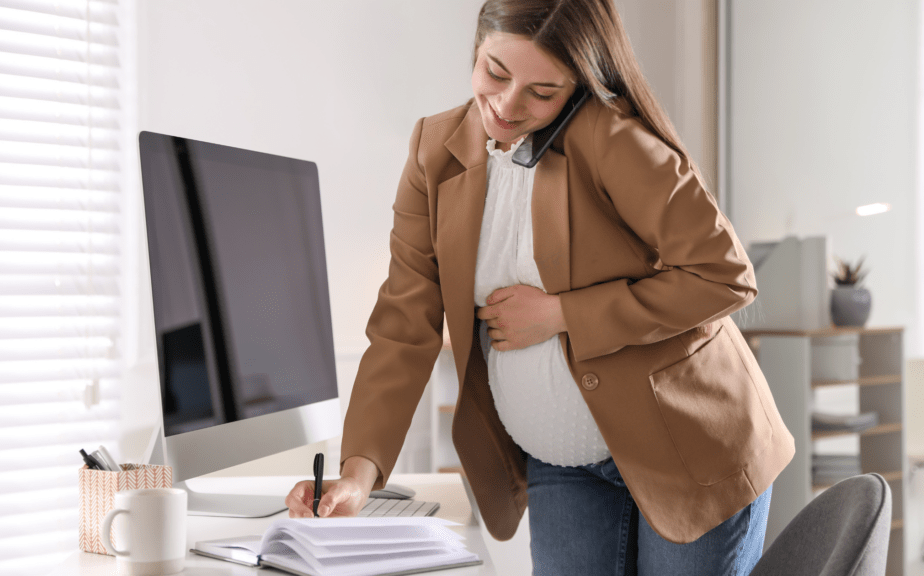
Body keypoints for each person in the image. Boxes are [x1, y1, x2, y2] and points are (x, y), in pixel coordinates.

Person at [286, 1, 795, 574]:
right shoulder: (435, 152)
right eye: (495, 72)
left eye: (542, 91)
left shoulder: (613, 140)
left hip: (686, 450)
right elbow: (406, 323)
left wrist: (563, 314)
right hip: (561, 468)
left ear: (578, 84)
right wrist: (359, 473)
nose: (506, 105)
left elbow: (724, 276)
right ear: (476, 47)